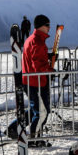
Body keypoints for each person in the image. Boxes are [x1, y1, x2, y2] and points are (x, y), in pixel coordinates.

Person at [22, 14, 56, 143]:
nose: (49, 27)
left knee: (35, 109)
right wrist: (51, 70)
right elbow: (38, 66)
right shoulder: (37, 41)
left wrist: (48, 57)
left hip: (31, 81)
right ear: (41, 26)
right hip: (36, 82)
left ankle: (14, 128)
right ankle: (34, 138)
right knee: (42, 112)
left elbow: (36, 59)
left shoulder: (33, 39)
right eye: (47, 25)